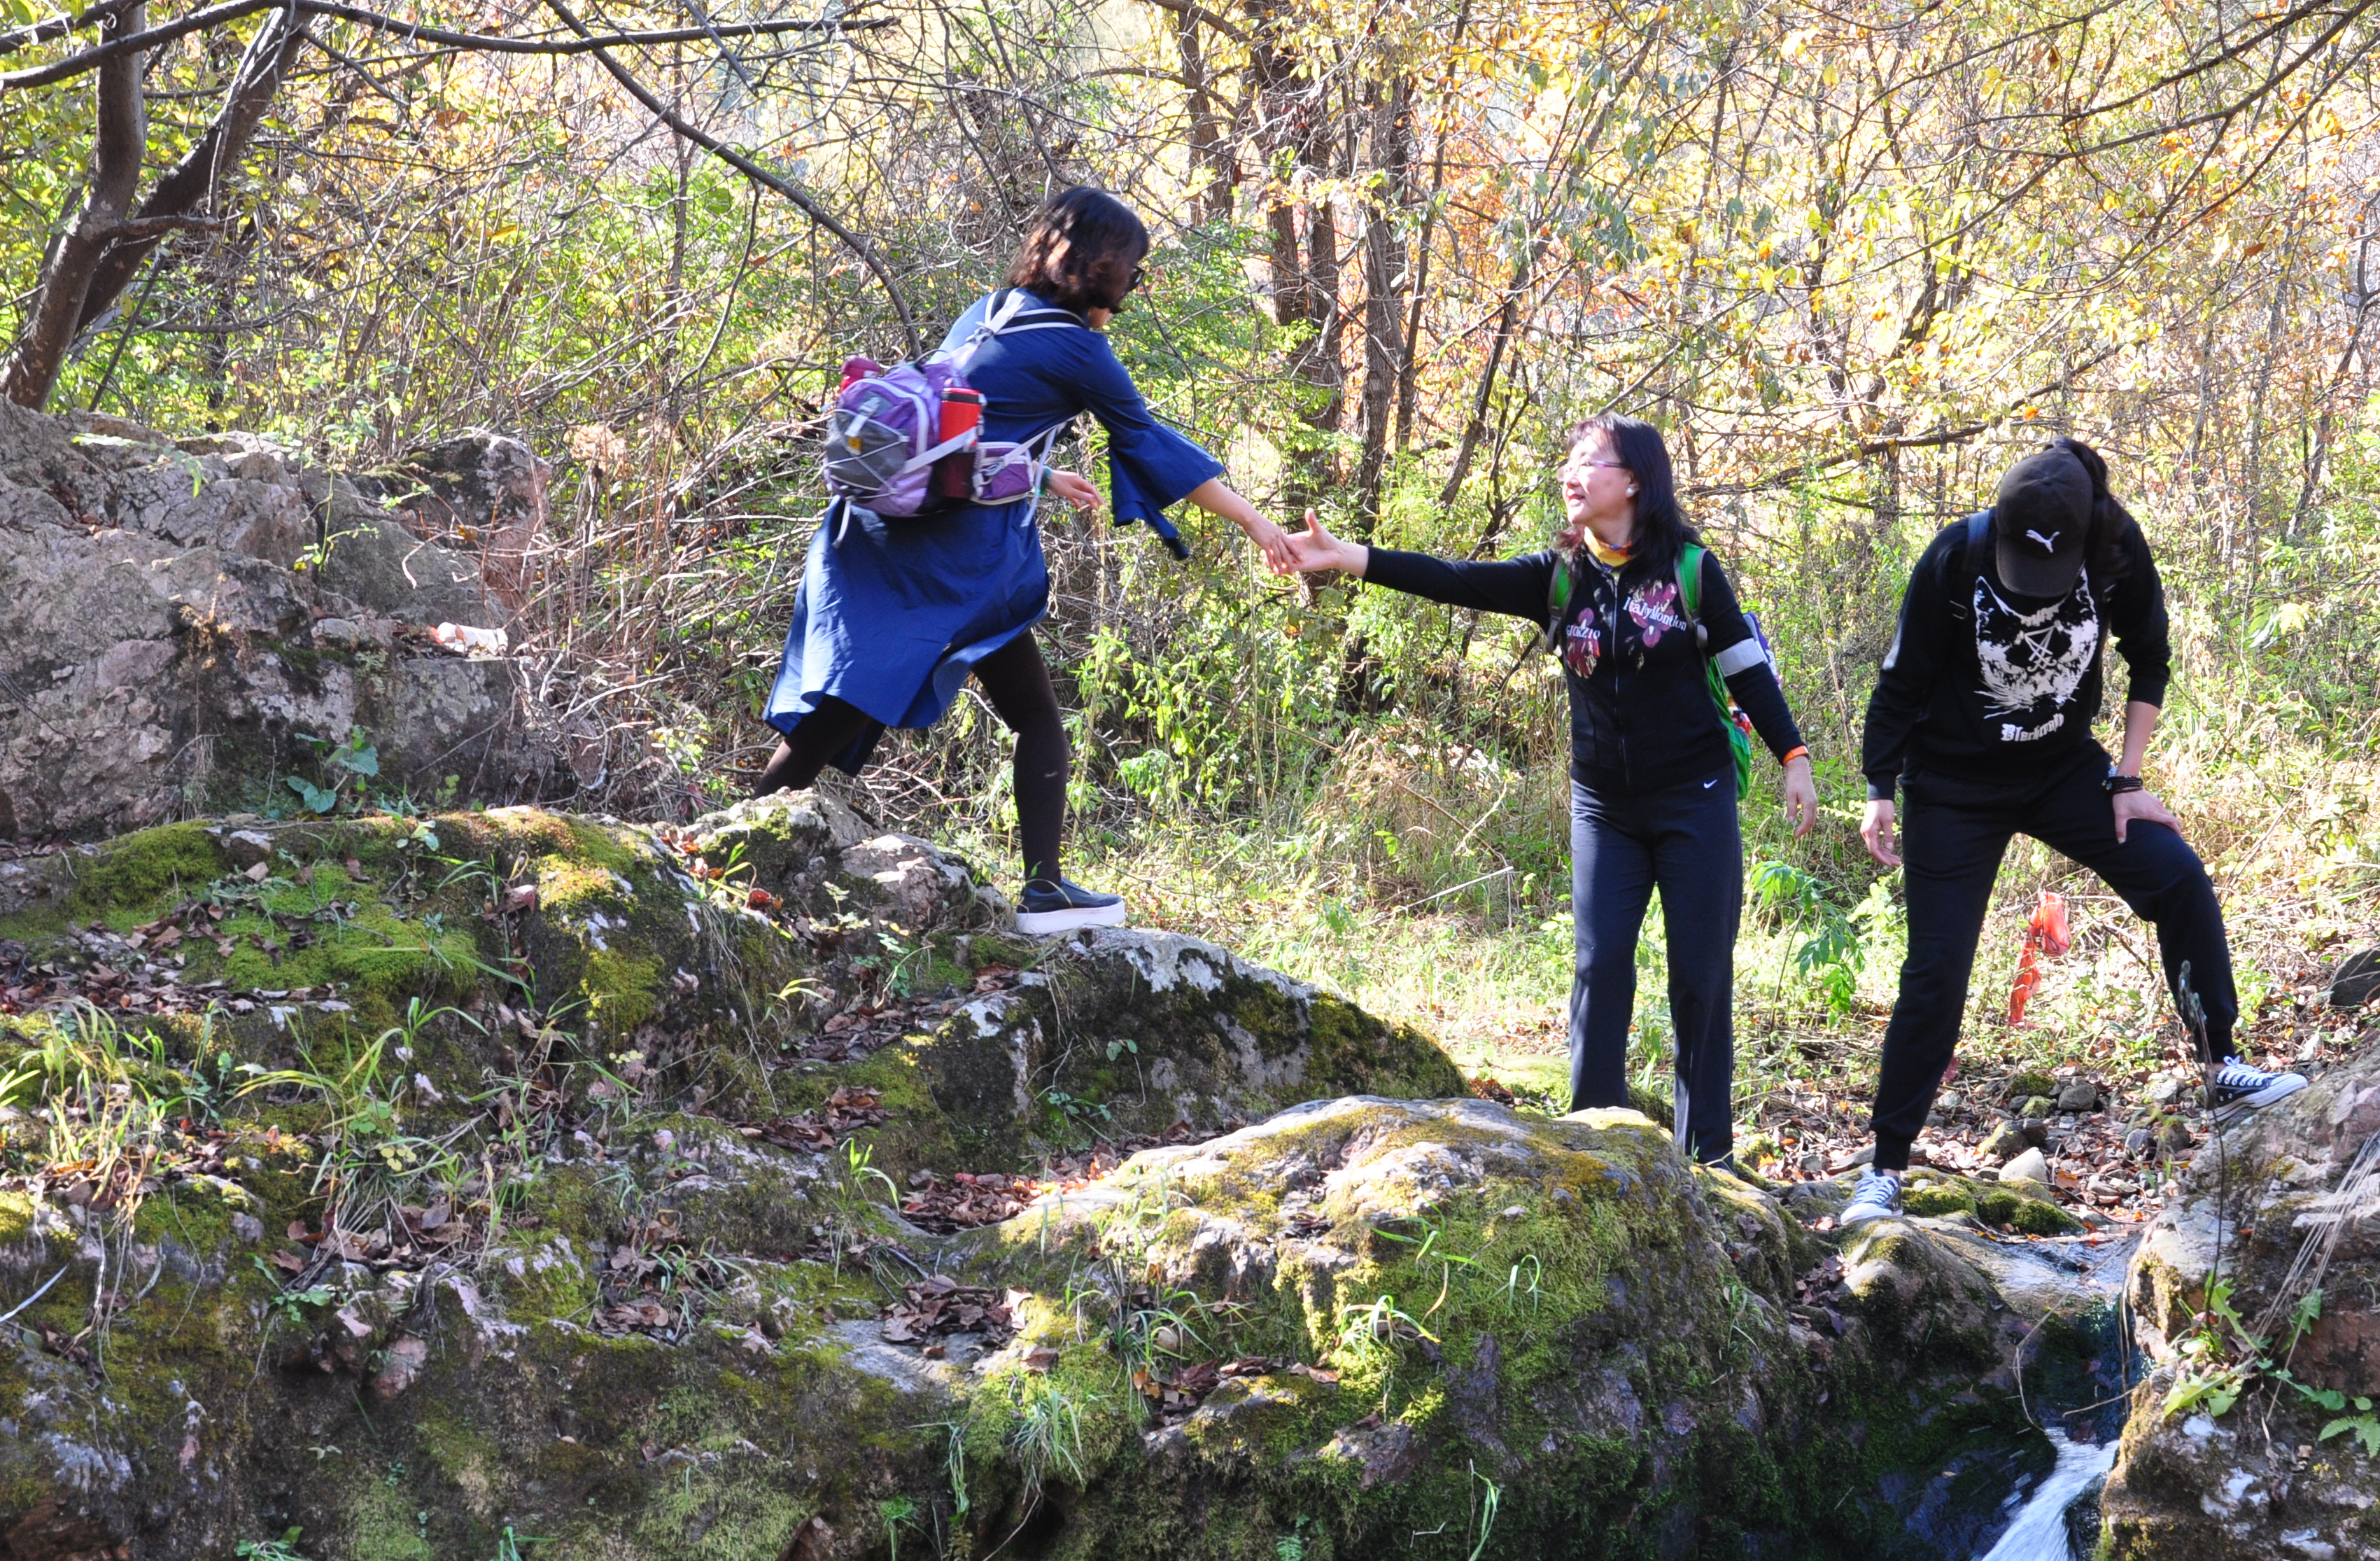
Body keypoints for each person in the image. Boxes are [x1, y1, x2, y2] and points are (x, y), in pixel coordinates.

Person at [758, 186, 1297, 935]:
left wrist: (1043, 474)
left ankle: (738, 852)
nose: (1135, 286)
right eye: (1134, 271)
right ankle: (742, 859)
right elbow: (1150, 443)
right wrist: (1258, 524)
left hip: (875, 537)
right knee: (867, 709)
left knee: (940, 709)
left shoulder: (988, 311)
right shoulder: (1079, 349)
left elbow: (952, 430)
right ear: (1102, 269)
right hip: (950, 564)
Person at [1284, 416, 1816, 1167]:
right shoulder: (1559, 574)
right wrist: (1349, 558)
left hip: (1694, 798)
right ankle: (1593, 1148)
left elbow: (1746, 668)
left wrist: (1793, 756)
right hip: (1604, 807)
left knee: (1699, 977)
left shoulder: (1691, 571)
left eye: (1589, 461)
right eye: (1568, 460)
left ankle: (1709, 1161)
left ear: (1634, 480)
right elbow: (1453, 577)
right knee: (1600, 967)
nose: (1570, 473)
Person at [1839, 439, 2301, 1226]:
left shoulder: (2116, 547)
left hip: (2063, 770)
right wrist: (1879, 789)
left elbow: (2149, 658)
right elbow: (1902, 676)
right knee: (1936, 971)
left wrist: (2127, 779)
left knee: (2177, 876)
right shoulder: (1957, 554)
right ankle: (1884, 1169)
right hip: (1951, 785)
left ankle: (2221, 1061)